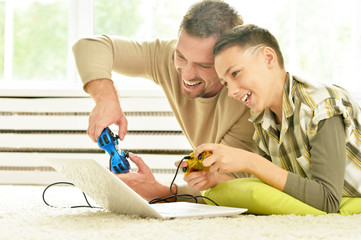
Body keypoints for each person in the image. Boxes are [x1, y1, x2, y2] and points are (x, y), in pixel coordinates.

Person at [72, 0, 255, 202]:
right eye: (181, 56)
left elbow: (231, 188)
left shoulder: (248, 101)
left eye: (204, 65)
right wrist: (106, 99)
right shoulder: (166, 57)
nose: (186, 74)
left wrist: (158, 192)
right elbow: (89, 46)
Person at [190, 23, 361, 213]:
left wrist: (250, 161)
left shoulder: (321, 104)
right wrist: (218, 179)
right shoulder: (263, 121)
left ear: (268, 58)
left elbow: (328, 201)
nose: (231, 91)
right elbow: (279, 189)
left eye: (235, 73)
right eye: (225, 83)